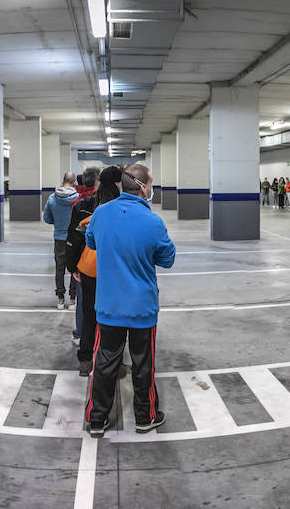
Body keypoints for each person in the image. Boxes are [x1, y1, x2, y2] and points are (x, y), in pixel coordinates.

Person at [84, 164, 175, 437]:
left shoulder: (101, 213)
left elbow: (91, 242)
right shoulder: (153, 222)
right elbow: (167, 259)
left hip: (109, 306)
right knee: (143, 365)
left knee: (104, 362)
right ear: (144, 187)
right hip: (142, 308)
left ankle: (97, 419)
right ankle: (145, 417)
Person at [66, 167, 111, 372]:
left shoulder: (82, 205)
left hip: (87, 268)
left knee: (88, 314)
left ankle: (85, 359)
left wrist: (73, 266)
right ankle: (108, 358)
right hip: (111, 268)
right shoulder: (116, 207)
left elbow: (74, 238)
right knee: (110, 315)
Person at [44, 172, 80, 309]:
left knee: (60, 268)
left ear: (62, 181)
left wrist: (58, 224)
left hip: (59, 238)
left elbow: (47, 218)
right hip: (75, 238)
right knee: (75, 268)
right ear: (74, 181)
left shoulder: (52, 198)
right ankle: (72, 299)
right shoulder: (78, 199)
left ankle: (60, 299)